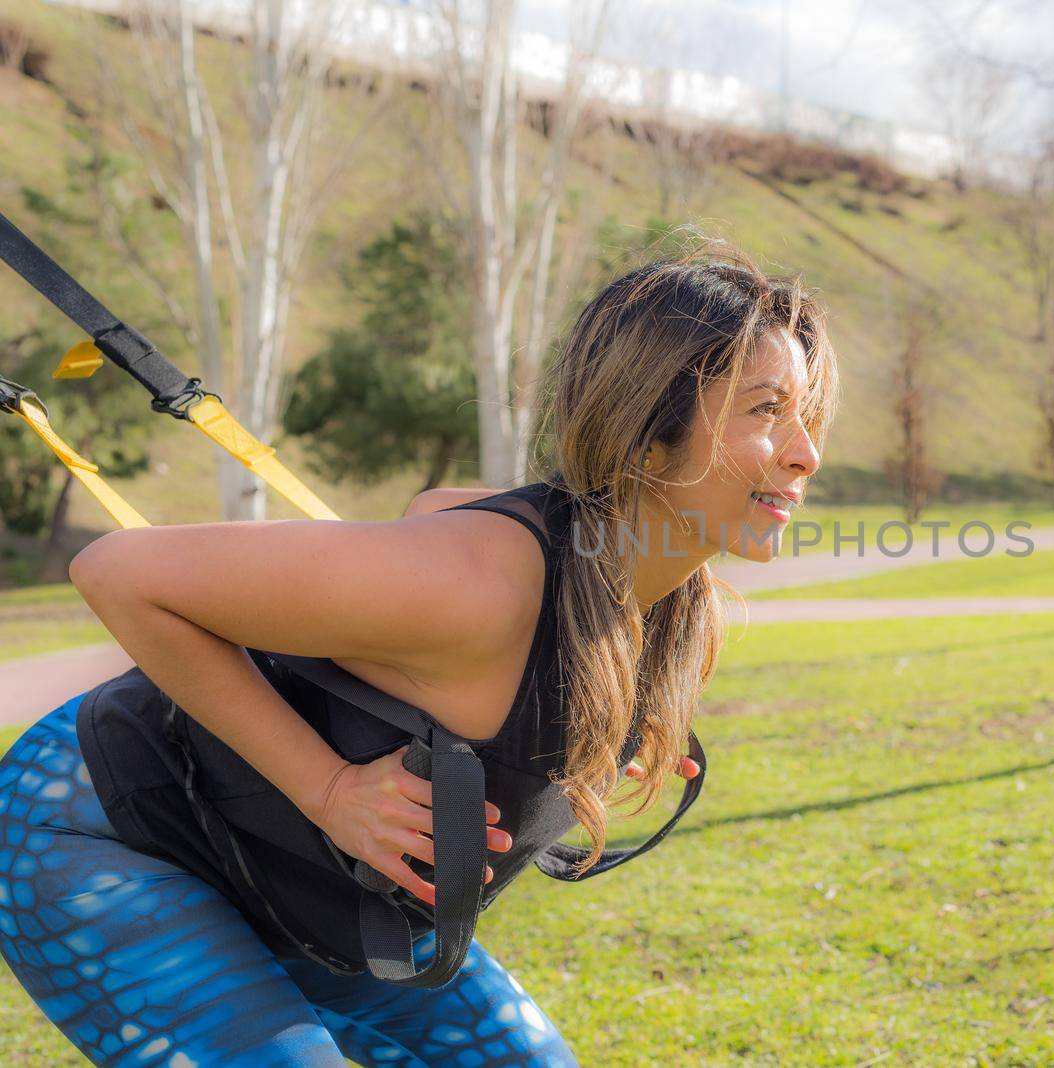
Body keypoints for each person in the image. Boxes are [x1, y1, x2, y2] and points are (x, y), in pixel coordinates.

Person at [0, 244, 838, 1065]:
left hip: (301, 880)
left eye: (806, 415)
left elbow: (434, 505)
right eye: (765, 411)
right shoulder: (482, 584)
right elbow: (119, 572)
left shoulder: (668, 602)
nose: (806, 454)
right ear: (645, 428)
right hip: (98, 828)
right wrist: (328, 787)